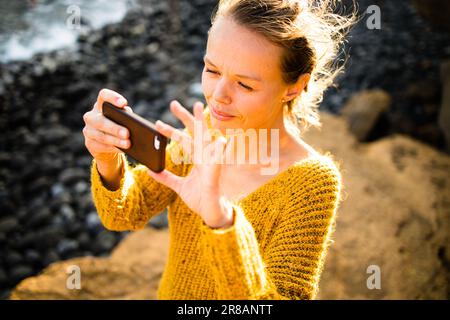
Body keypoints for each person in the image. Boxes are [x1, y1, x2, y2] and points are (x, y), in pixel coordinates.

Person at [82, 0, 355, 299]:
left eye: (245, 85)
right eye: (212, 70)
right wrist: (108, 160)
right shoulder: (204, 132)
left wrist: (221, 221)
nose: (218, 96)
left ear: (293, 86)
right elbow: (124, 213)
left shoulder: (312, 184)